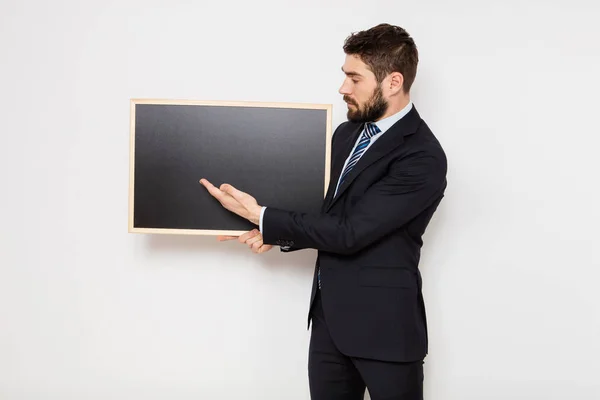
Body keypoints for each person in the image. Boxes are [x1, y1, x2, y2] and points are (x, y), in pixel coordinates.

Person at [200, 23, 447, 400]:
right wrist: (273, 232)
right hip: (329, 323)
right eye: (344, 76)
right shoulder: (346, 135)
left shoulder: (423, 156)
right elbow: (330, 216)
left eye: (354, 78)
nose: (342, 88)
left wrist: (263, 216)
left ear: (393, 82)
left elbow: (350, 232)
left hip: (386, 332)